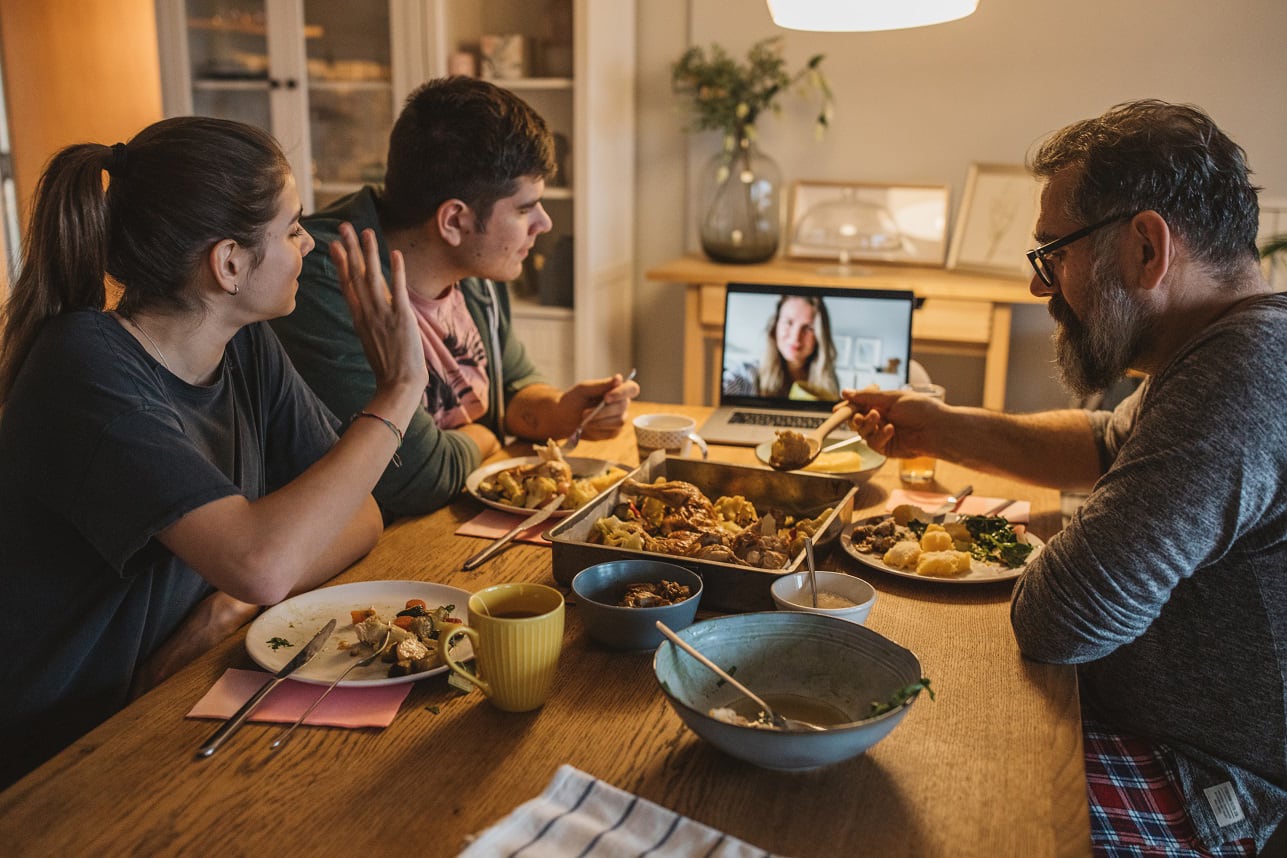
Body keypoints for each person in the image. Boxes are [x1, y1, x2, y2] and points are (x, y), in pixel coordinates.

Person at [843, 100, 1286, 854]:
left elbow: (1062, 617)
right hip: (1123, 713)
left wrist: (1079, 536)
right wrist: (943, 427)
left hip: (1200, 782)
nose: (1038, 287)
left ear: (1147, 248)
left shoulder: (1243, 375)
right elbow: (1103, 442)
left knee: (873, 796)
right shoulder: (1228, 344)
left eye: (1054, 252)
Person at [0, 117, 427, 788]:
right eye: (290, 229)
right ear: (227, 263)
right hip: (59, 751)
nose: (306, 246)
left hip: (176, 696)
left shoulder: (244, 346)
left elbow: (358, 515)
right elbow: (261, 564)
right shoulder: (83, 366)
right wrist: (399, 392)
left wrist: (226, 608)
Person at [269, 76, 639, 520]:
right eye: (524, 209)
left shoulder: (474, 267)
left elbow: (513, 384)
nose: (543, 223)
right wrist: (486, 434)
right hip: (374, 550)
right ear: (454, 221)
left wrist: (558, 413)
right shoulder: (329, 280)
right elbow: (414, 479)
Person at [722, 294, 839, 399]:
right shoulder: (745, 376)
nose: (795, 337)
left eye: (808, 328)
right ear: (775, 326)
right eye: (789, 322)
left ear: (820, 337)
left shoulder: (828, 383)